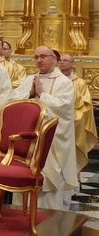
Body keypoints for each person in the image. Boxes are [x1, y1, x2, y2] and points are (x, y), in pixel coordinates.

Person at [11, 45, 76, 210]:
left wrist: (42, 95)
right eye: (36, 57)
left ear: (53, 59)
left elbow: (64, 109)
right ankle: (22, 215)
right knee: (24, 176)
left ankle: (50, 219)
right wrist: (30, 95)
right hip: (28, 139)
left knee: (48, 179)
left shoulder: (64, 83)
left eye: (43, 56)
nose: (39, 60)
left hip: (51, 142)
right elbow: (13, 103)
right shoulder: (29, 80)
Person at [58, 53, 98, 173]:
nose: (62, 62)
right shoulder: (55, 81)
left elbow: (86, 104)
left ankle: (72, 178)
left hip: (73, 120)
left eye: (65, 60)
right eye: (60, 60)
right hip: (56, 120)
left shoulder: (79, 83)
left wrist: (72, 114)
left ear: (73, 64)